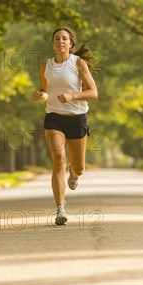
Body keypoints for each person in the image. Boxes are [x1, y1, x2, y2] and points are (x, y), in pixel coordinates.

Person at [31, 27, 98, 226]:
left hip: (77, 118)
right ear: (52, 43)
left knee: (79, 168)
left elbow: (93, 92)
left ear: (71, 44)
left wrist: (73, 96)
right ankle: (60, 209)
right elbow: (45, 90)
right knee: (58, 160)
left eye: (64, 39)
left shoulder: (78, 63)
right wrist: (40, 95)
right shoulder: (45, 66)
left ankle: (74, 173)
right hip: (54, 118)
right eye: (57, 38)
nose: (60, 41)